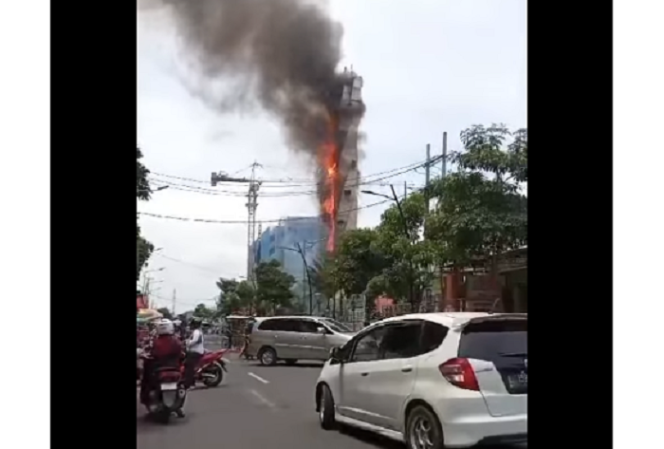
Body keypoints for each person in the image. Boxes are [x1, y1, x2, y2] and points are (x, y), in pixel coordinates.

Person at [140, 318, 185, 417]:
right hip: (174, 369)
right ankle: (179, 408)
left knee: (146, 382)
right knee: (182, 384)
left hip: (158, 370)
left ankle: (148, 401)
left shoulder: (154, 341)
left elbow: (149, 353)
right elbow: (182, 353)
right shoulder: (177, 340)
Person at [184, 317, 205, 389]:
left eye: (192, 324)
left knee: (189, 367)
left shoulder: (197, 332)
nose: (190, 325)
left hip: (195, 352)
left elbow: (195, 341)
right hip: (194, 351)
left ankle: (190, 384)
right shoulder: (196, 331)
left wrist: (187, 343)